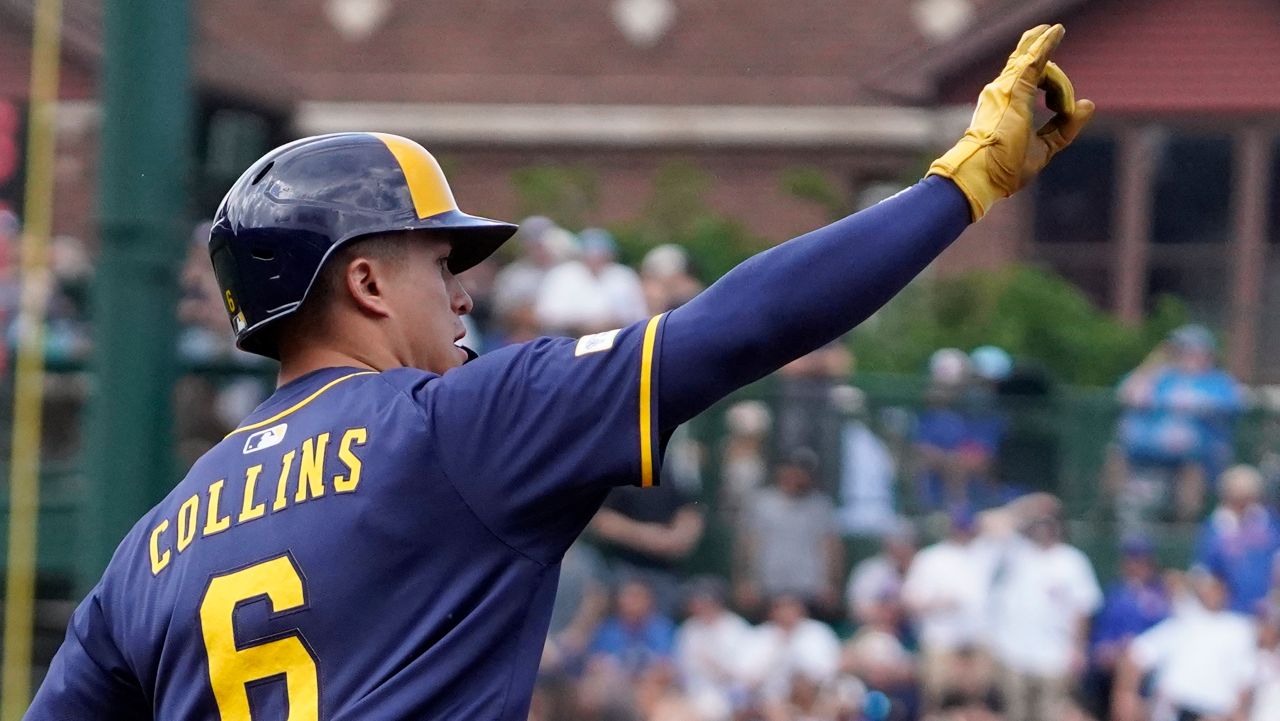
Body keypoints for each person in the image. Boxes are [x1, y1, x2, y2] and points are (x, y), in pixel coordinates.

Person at [27, 25, 1093, 720]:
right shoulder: (453, 427)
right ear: (360, 279)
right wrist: (961, 183)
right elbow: (736, 325)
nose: (463, 293)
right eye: (440, 260)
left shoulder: (154, 540)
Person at [986, 494, 1102, 721]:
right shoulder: (1015, 551)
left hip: (1055, 656)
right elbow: (989, 522)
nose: (1044, 528)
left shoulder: (1072, 560)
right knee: (1015, 715)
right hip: (1013, 652)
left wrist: (1078, 648)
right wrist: (1031, 506)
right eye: (1039, 522)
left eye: (1049, 522)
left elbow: (1084, 609)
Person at [1116, 324, 1245, 522]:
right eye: (1181, 350)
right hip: (1152, 451)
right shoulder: (1162, 377)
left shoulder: (1219, 382)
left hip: (1199, 454)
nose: (1186, 355)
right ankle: (1113, 517)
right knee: (1117, 455)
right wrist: (1155, 360)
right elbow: (1126, 394)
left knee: (1190, 466)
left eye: (1191, 349)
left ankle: (1184, 525)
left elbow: (1232, 405)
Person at [1113, 566, 1257, 721]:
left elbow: (1246, 681)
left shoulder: (1241, 629)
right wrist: (1126, 695)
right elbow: (1136, 655)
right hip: (1174, 708)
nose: (1212, 592)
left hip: (1214, 713)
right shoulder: (1184, 621)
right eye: (1209, 587)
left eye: (1217, 587)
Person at [902, 507, 999, 712]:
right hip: (942, 641)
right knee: (939, 702)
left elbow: (1009, 520)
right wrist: (939, 603)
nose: (963, 531)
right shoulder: (931, 557)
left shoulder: (985, 552)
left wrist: (984, 520)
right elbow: (910, 601)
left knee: (977, 703)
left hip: (976, 641)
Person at [736, 448, 845, 617]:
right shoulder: (762, 503)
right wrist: (746, 581)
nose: (795, 476)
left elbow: (830, 546)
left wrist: (832, 584)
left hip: (809, 588)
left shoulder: (820, 505)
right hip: (769, 586)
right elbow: (749, 544)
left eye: (802, 471)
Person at [1084, 535, 1170, 719]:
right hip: (1107, 672)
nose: (1136, 565)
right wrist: (1106, 650)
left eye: (1141, 559)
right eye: (1132, 559)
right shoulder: (1115, 594)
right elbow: (1099, 638)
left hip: (1147, 671)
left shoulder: (1162, 595)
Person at [1195, 463, 1280, 616]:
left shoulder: (1269, 521)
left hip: (1268, 610)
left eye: (1248, 495)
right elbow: (1204, 571)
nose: (1244, 501)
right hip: (1230, 611)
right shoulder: (1216, 526)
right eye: (1239, 496)